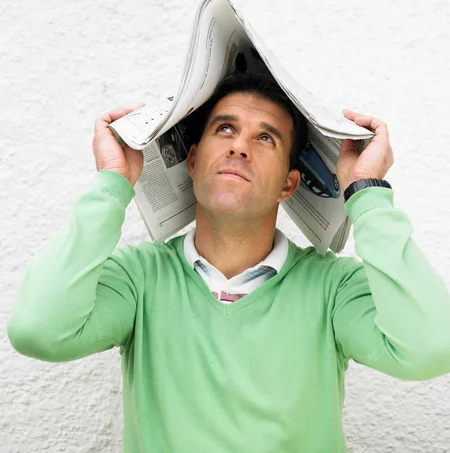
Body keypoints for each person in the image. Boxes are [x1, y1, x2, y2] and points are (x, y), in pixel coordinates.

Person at [7, 73, 450, 453]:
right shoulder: (139, 279)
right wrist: (112, 185)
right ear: (194, 161)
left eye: (265, 137)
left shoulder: (333, 288)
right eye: (224, 129)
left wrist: (366, 192)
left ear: (288, 185)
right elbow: (38, 330)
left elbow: (432, 348)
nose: (239, 147)